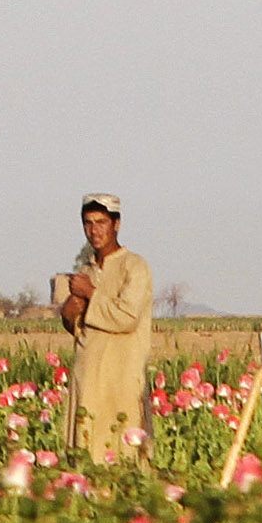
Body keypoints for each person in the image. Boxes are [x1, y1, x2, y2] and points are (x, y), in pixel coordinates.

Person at [56, 193, 153, 466]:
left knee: (122, 456)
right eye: (88, 223)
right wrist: (69, 312)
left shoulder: (135, 266)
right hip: (87, 379)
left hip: (121, 380)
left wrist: (91, 294)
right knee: (85, 457)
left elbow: (126, 317)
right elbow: (79, 327)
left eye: (101, 222)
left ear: (116, 224)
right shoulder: (86, 271)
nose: (94, 230)